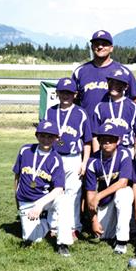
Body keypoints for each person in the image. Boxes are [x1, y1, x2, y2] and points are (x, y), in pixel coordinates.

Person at [13, 120, 73, 256]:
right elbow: (17, 176)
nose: (46, 139)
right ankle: (48, 222)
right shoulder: (25, 150)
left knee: (64, 201)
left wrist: (40, 204)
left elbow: (59, 188)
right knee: (31, 239)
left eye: (50, 136)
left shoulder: (56, 159)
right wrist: (16, 198)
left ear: (56, 138)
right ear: (37, 135)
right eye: (43, 135)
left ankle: (63, 243)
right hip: (27, 200)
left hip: (45, 200)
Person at [44, 78, 92, 238]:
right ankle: (54, 226)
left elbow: (87, 141)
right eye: (62, 92)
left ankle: (73, 226)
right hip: (55, 157)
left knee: (73, 192)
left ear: (75, 94)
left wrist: (84, 162)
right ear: (57, 93)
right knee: (54, 191)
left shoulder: (80, 113)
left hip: (73, 158)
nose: (66, 96)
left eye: (69, 93)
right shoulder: (50, 111)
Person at [85, 123, 134, 254]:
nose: (107, 142)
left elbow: (123, 182)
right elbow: (90, 193)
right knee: (103, 235)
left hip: (119, 196)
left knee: (124, 194)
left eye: (111, 139)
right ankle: (113, 234)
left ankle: (122, 241)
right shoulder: (93, 160)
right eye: (103, 139)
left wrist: (98, 196)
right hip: (105, 202)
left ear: (118, 140)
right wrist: (94, 220)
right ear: (99, 140)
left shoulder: (124, 154)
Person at [72, 30, 136, 120]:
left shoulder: (123, 72)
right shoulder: (80, 71)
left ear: (111, 48)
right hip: (88, 127)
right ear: (92, 47)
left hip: (115, 128)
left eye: (104, 44)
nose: (100, 47)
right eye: (96, 44)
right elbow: (73, 99)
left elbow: (135, 99)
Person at [92, 68, 136, 155]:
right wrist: (96, 156)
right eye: (111, 82)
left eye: (118, 84)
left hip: (127, 149)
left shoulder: (132, 107)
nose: (114, 86)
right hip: (105, 151)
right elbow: (95, 135)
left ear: (126, 87)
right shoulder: (100, 107)